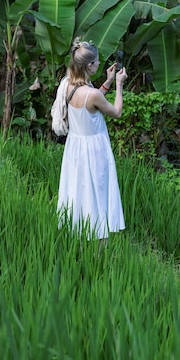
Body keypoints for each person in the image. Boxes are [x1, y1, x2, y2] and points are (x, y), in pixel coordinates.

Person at [57, 38, 127, 240]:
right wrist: (119, 85)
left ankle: (78, 233)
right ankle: (99, 242)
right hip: (94, 149)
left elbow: (91, 100)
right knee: (98, 190)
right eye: (97, 62)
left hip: (76, 146)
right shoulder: (93, 94)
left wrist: (108, 81)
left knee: (79, 190)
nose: (99, 64)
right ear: (89, 66)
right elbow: (116, 112)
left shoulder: (68, 84)